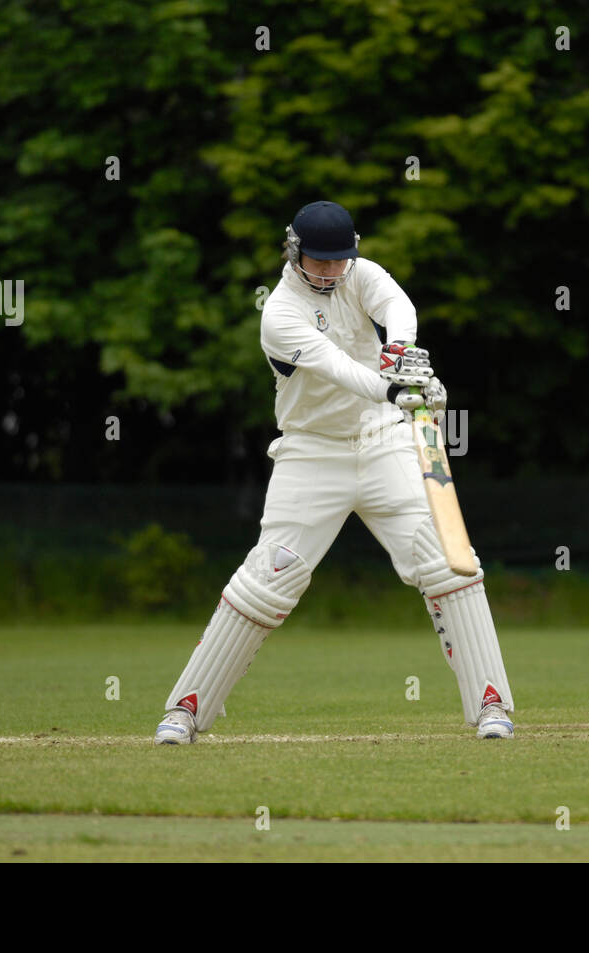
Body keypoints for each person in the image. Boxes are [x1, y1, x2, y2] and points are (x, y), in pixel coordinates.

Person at [154, 200, 515, 743]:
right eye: (318, 261)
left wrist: (400, 353)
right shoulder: (279, 313)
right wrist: (398, 386)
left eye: (338, 261)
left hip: (385, 440)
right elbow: (340, 369)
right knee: (272, 575)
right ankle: (187, 708)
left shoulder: (360, 274)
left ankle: (491, 704)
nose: (329, 272)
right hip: (311, 453)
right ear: (295, 251)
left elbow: (399, 305)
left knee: (444, 560)